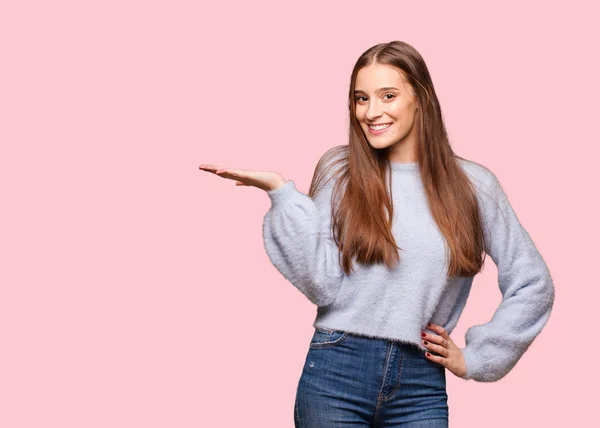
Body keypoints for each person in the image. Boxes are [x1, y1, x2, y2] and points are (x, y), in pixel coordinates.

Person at [199, 41, 555, 427]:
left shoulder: (473, 185)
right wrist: (282, 194)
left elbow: (533, 282)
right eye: (361, 98)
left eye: (388, 95)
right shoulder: (341, 170)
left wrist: (478, 358)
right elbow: (320, 281)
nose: (372, 112)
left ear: (420, 97)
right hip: (336, 370)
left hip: (421, 383)